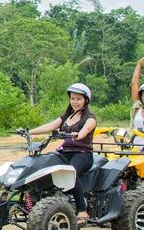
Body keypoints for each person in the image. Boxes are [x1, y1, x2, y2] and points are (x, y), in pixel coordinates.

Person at [26, 83, 97, 219]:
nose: (75, 102)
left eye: (78, 99)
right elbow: (50, 125)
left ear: (86, 100)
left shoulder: (90, 118)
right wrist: (29, 131)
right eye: (72, 98)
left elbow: (86, 129)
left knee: (70, 173)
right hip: (65, 153)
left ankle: (82, 210)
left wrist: (78, 135)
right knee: (43, 166)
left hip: (82, 154)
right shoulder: (67, 117)